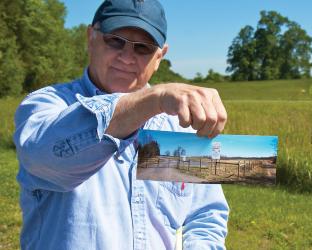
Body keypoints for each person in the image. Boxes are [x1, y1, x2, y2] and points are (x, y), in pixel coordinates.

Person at [13, 0, 229, 249]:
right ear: (90, 37)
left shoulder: (180, 126)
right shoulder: (47, 104)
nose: (127, 58)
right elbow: (46, 158)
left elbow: (205, 215)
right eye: (115, 40)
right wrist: (151, 101)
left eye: (143, 48)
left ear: (160, 56)